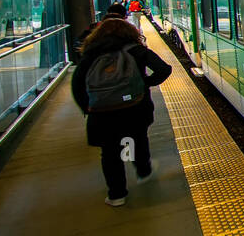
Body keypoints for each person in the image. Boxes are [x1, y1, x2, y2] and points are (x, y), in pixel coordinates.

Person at [71, 17, 172, 206]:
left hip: (102, 113)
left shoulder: (91, 55)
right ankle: (143, 171)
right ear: (129, 32)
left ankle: (117, 195)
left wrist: (89, 107)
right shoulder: (136, 50)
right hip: (134, 109)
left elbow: (77, 85)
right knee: (137, 139)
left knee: (109, 153)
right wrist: (145, 84)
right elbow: (164, 69)